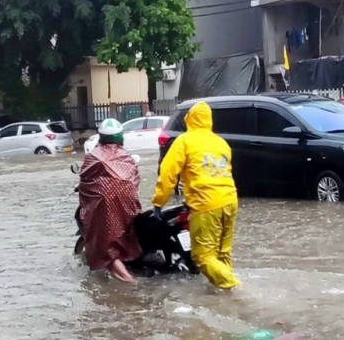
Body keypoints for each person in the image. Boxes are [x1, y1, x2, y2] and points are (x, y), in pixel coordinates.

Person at [152, 101, 241, 290]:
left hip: (206, 204)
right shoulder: (221, 142)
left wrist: (159, 202)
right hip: (230, 200)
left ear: (189, 119)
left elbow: (168, 173)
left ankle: (235, 289)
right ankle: (225, 294)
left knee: (203, 256)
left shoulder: (185, 141)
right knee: (222, 253)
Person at [77, 119, 143, 283]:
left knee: (103, 243)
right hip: (129, 203)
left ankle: (128, 280)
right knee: (126, 234)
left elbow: (85, 181)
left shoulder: (94, 156)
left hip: (104, 205)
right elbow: (135, 180)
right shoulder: (126, 157)